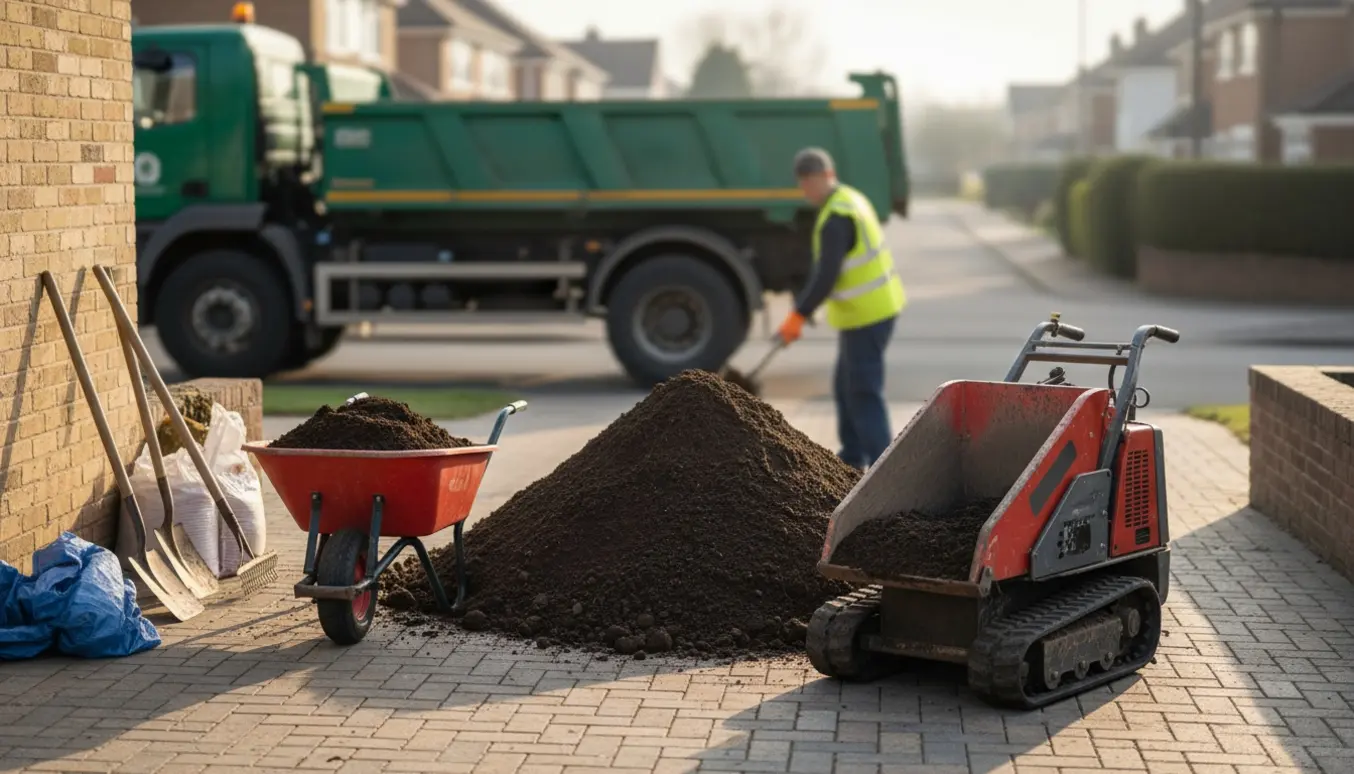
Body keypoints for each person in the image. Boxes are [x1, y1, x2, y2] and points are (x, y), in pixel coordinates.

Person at [776, 147, 906, 471]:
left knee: (863, 390)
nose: (805, 190)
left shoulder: (837, 217)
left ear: (823, 177)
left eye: (808, 182)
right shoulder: (849, 198)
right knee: (844, 384)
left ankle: (883, 471)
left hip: (869, 314)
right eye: (802, 183)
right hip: (868, 311)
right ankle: (851, 458)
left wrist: (799, 314)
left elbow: (826, 275)